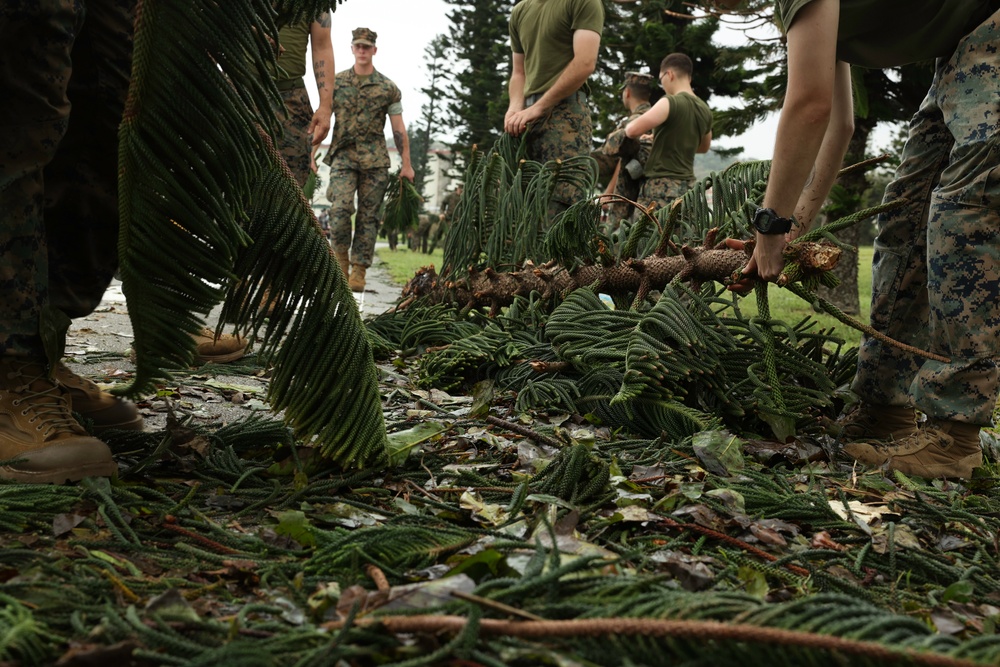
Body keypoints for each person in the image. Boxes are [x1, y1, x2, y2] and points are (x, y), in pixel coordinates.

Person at [725, 0, 1000, 479]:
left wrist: (770, 225)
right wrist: (797, 224)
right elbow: (840, 124)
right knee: (906, 216)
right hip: (963, 48)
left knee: (964, 215)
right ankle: (885, 407)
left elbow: (811, 106)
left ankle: (955, 435)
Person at [324, 27, 415, 292]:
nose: (362, 50)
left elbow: (398, 129)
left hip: (375, 162)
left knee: (369, 217)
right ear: (352, 49)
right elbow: (323, 118)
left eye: (367, 46)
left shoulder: (388, 88)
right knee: (339, 210)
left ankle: (359, 270)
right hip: (342, 156)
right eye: (358, 46)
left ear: (374, 50)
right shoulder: (336, 83)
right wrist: (312, 153)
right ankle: (340, 263)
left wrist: (406, 164)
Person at [504, 0, 604, 221]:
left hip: (566, 117)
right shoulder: (521, 10)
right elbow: (518, 73)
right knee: (524, 209)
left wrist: (538, 107)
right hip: (526, 120)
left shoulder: (582, 2)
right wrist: (514, 109)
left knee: (561, 210)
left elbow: (586, 62)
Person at [624, 53, 712, 214]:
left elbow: (631, 130)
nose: (662, 84)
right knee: (678, 239)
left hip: (660, 189)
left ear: (669, 74)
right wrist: (660, 138)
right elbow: (703, 147)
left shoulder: (669, 102)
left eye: (661, 78)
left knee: (648, 239)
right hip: (689, 189)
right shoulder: (705, 110)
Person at [270, 11, 334, 187]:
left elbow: (322, 46)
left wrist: (325, 107)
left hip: (289, 98)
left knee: (290, 181)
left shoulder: (313, 5)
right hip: (238, 92)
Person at [597, 72, 656, 224]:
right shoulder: (654, 116)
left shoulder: (636, 122)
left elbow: (624, 160)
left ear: (627, 92)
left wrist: (609, 193)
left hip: (633, 197)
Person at [430, 182, 463, 253]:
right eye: (460, 189)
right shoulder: (451, 196)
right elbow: (443, 204)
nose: (461, 191)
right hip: (446, 218)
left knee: (449, 235)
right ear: (457, 189)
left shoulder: (463, 198)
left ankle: (448, 252)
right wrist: (442, 213)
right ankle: (430, 250)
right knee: (437, 234)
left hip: (455, 220)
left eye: (462, 190)